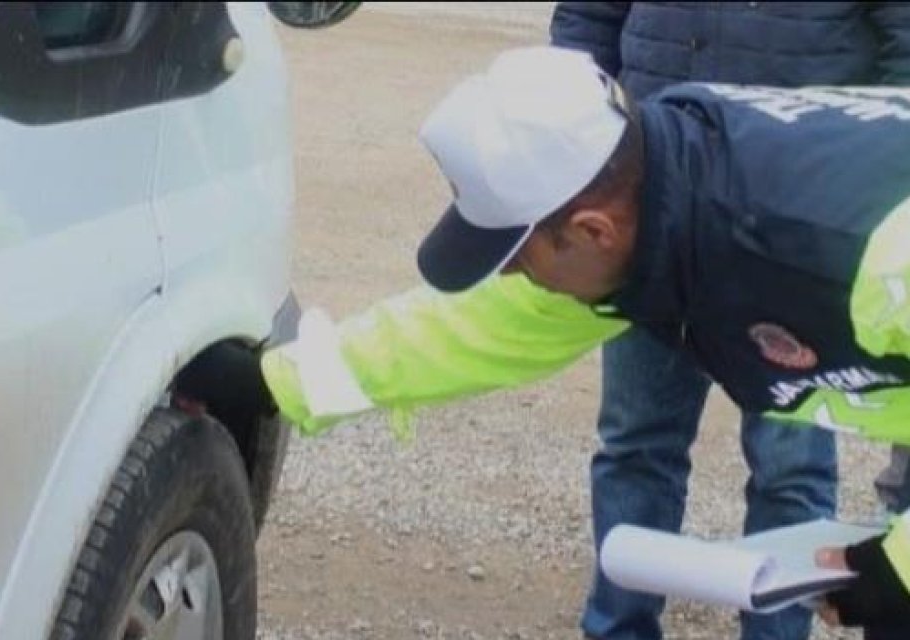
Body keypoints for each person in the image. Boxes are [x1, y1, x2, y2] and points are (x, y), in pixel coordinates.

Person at [254, 46, 910, 634]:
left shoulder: (840, 250)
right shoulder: (661, 199)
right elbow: (479, 326)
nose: (514, 277)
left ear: (593, 231)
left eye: (516, 255)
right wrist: (276, 381)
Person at [546, 3, 910, 638]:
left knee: (789, 469)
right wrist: (590, 151)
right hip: (649, 199)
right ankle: (618, 627)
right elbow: (587, 16)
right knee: (636, 444)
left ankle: (776, 631)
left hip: (797, 223)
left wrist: (862, 151)